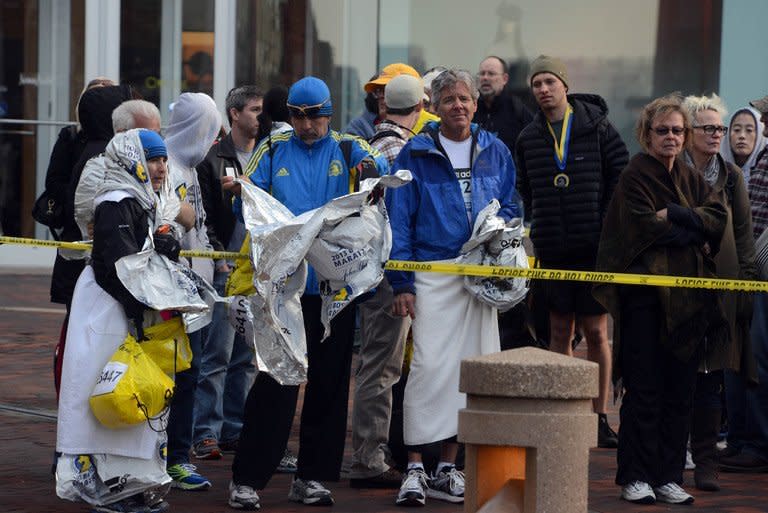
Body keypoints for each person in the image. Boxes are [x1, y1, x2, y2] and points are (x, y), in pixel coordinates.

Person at [223, 76, 388, 510]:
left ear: (328, 114)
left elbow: (378, 172)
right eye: (297, 115)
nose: (306, 124)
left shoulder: (350, 147)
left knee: (330, 387)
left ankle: (312, 477)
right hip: (285, 290)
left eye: (314, 116)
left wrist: (371, 174)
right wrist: (239, 192)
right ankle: (247, 478)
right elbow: (249, 196)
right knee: (276, 379)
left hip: (334, 289)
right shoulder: (274, 149)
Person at [386, 69, 519, 507]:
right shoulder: (414, 154)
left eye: (465, 99)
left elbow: (513, 204)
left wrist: (502, 239)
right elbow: (398, 219)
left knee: (470, 369)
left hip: (479, 274)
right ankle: (413, 468)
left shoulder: (496, 150)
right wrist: (401, 281)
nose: (458, 106)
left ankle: (448, 465)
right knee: (426, 369)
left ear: (475, 105)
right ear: (433, 108)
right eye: (449, 101)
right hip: (432, 271)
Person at [594, 94, 728, 505]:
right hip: (644, 301)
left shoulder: (691, 179)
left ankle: (669, 476)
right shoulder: (635, 175)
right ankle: (635, 476)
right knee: (645, 390)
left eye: (677, 130)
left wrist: (675, 214)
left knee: (679, 392)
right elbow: (641, 229)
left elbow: (717, 220)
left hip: (688, 304)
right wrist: (691, 227)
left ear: (686, 136)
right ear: (647, 134)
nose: (670, 137)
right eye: (662, 130)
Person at [56, 128, 179, 513]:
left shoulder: (140, 200)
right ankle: (110, 489)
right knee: (108, 390)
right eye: (153, 159)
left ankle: (130, 486)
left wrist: (164, 249)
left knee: (129, 392)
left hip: (123, 309)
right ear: (133, 161)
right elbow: (116, 266)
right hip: (109, 311)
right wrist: (139, 305)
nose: (160, 168)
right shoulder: (116, 201)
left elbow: (137, 256)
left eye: (163, 160)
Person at [515, 55, 628, 448]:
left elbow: (620, 175)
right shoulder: (529, 137)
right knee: (559, 331)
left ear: (565, 85)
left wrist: (602, 222)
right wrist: (542, 220)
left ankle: (598, 416)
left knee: (597, 332)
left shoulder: (598, 128)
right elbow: (525, 187)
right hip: (553, 248)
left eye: (549, 81)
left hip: (593, 248)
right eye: (536, 84)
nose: (543, 89)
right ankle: (563, 409)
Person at [348, 74, 423, 490]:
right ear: (419, 108)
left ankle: (372, 453)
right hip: (389, 275)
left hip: (374, 272)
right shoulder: (401, 151)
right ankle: (369, 459)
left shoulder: (371, 146)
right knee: (381, 367)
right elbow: (399, 221)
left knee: (379, 364)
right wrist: (400, 280)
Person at [681, 93, 757, 491]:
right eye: (707, 127)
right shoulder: (671, 170)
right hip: (676, 291)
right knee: (677, 375)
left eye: (719, 128)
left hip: (720, 291)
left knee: (712, 379)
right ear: (689, 132)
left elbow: (744, 235)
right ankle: (674, 455)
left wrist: (744, 285)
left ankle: (707, 461)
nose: (715, 134)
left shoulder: (732, 177)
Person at [191, 86, 262, 461]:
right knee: (216, 352)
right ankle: (205, 432)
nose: (259, 117)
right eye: (253, 110)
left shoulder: (269, 154)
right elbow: (204, 214)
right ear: (234, 114)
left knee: (246, 356)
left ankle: (236, 428)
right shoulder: (212, 158)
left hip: (257, 267)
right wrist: (218, 255)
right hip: (226, 264)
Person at [163, 92, 222, 491]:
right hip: (175, 294)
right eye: (209, 130)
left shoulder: (190, 166)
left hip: (197, 290)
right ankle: (173, 457)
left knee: (192, 372)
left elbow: (199, 227)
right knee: (179, 376)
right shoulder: (166, 167)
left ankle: (177, 455)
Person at [720, 94, 768, 473]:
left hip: (759, 277)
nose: (762, 125)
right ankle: (738, 440)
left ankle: (757, 444)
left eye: (765, 118)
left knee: (757, 360)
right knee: (735, 358)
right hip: (741, 275)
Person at [474, 55, 532, 153]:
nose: (485, 78)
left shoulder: (517, 109)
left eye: (491, 74)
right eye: (482, 73)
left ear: (505, 79)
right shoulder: (471, 110)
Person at [721, 106, 767, 187]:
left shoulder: (764, 174)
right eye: (737, 130)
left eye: (749, 130)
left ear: (759, 136)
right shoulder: (715, 172)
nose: (742, 136)